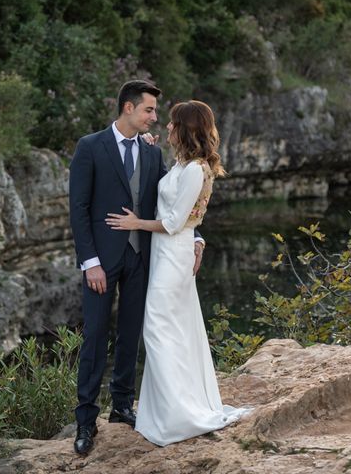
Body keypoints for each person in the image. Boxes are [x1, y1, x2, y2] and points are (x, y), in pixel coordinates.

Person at [68, 80, 205, 455]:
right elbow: (78, 209)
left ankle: (122, 405)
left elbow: (173, 204)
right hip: (101, 261)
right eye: (149, 110)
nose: (154, 118)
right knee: (95, 336)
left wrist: (196, 237)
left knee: (132, 333)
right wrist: (90, 262)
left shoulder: (151, 152)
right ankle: (85, 420)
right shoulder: (90, 147)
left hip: (142, 256)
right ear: (128, 108)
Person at [106, 100, 252, 446]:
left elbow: (174, 222)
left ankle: (178, 415)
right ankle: (166, 411)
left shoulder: (195, 170)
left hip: (173, 255)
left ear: (185, 129)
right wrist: (149, 152)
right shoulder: (183, 165)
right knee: (173, 331)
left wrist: (135, 223)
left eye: (172, 124)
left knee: (157, 329)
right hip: (166, 254)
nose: (166, 127)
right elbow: (168, 199)